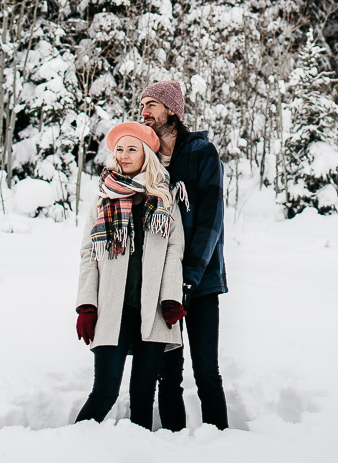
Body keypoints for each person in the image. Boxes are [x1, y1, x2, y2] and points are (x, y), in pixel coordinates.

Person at [74, 121, 187, 431]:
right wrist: (86, 305)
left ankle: (139, 453)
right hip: (113, 309)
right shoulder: (103, 200)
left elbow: (172, 254)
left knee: (142, 396)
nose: (123, 155)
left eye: (131, 149)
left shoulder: (165, 201)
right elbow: (88, 255)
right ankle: (72, 449)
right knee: (105, 392)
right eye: (119, 149)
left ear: (146, 155)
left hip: (151, 310)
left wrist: (171, 299)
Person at [140, 81, 229, 431]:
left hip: (201, 281)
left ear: (172, 111)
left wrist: (191, 275)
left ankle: (221, 443)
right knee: (168, 373)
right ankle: (172, 444)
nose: (144, 112)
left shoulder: (201, 152)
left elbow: (211, 220)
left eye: (151, 105)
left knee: (206, 369)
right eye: (142, 105)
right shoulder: (144, 158)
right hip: (163, 283)